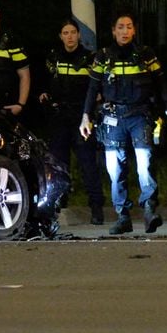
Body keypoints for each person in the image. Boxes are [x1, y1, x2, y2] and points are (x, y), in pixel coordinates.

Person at [79, 12, 167, 235]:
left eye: (129, 27)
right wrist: (85, 116)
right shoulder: (103, 57)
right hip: (113, 119)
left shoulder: (145, 55)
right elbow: (92, 89)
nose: (125, 31)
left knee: (145, 164)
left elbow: (161, 84)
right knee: (115, 169)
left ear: (134, 30)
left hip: (140, 116)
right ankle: (122, 216)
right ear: (113, 31)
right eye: (121, 27)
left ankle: (149, 210)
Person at [39, 18, 105, 224]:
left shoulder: (90, 58)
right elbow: (45, 83)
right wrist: (44, 95)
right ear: (60, 36)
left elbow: (98, 88)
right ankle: (60, 205)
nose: (69, 36)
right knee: (58, 165)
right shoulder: (53, 58)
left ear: (78, 35)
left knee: (87, 164)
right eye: (65, 33)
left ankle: (96, 208)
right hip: (59, 118)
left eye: (72, 32)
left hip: (81, 117)